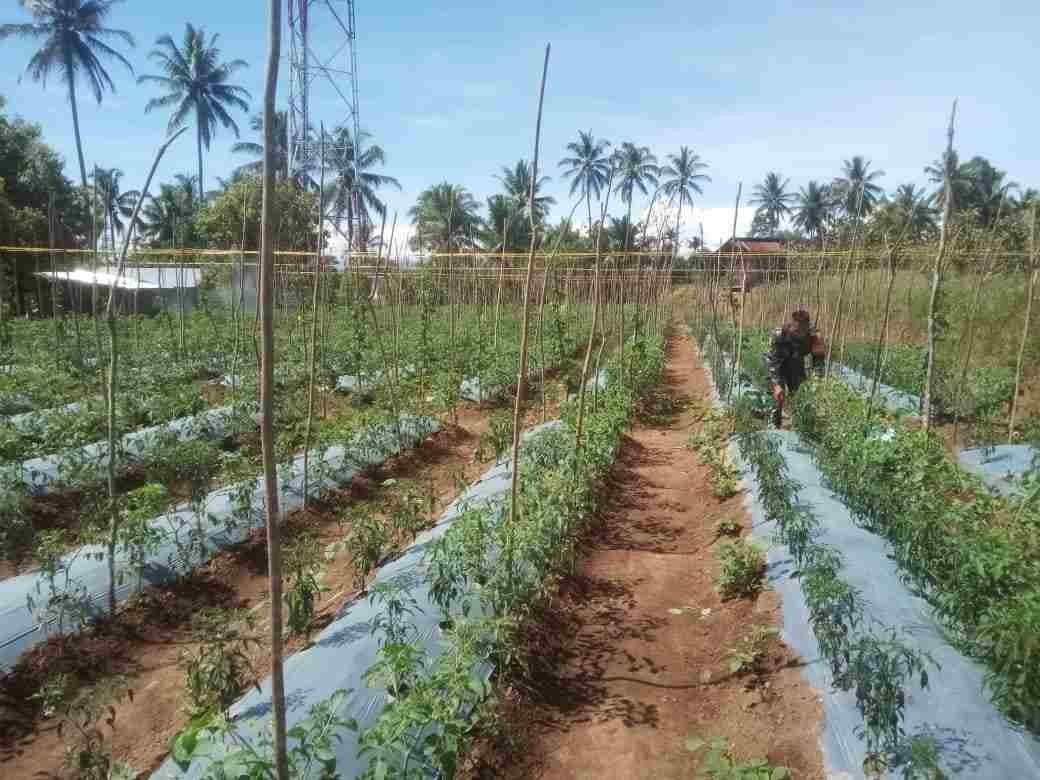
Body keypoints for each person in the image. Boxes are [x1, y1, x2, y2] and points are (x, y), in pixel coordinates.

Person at [765, 308, 826, 427]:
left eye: (803, 331)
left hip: (796, 362)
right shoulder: (779, 334)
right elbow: (772, 361)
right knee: (776, 398)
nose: (800, 334)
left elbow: (818, 362)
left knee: (801, 395)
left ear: (807, 327)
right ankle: (773, 426)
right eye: (796, 330)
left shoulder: (815, 337)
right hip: (778, 363)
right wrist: (776, 385)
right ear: (791, 326)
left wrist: (816, 383)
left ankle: (799, 427)